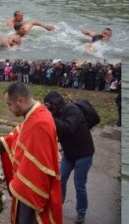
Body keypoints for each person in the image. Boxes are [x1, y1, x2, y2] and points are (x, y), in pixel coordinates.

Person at [0, 83, 62, 224]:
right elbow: (18, 135)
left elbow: (40, 166)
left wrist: (20, 185)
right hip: (25, 182)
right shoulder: (35, 113)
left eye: (9, 104)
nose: (9, 109)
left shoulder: (39, 122)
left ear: (20, 100)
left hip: (31, 188)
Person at [44, 91, 94, 224]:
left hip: (84, 154)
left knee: (79, 185)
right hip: (69, 153)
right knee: (61, 179)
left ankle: (81, 211)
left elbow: (68, 128)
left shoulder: (72, 110)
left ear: (54, 104)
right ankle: (58, 204)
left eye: (49, 105)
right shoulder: (56, 113)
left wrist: (50, 117)